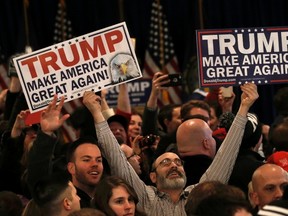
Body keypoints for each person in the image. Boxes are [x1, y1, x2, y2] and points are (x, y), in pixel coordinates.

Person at [82, 82, 259, 215]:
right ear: (152, 176)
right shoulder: (145, 197)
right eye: (165, 162)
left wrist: (244, 107)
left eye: (177, 162)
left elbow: (226, 156)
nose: (174, 165)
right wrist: (97, 113)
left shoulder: (198, 195)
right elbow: (116, 157)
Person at [27, 95, 107, 208]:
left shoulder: (110, 197)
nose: (95, 164)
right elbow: (38, 182)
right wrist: (46, 134)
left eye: (99, 160)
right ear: (71, 167)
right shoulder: (63, 201)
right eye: (86, 159)